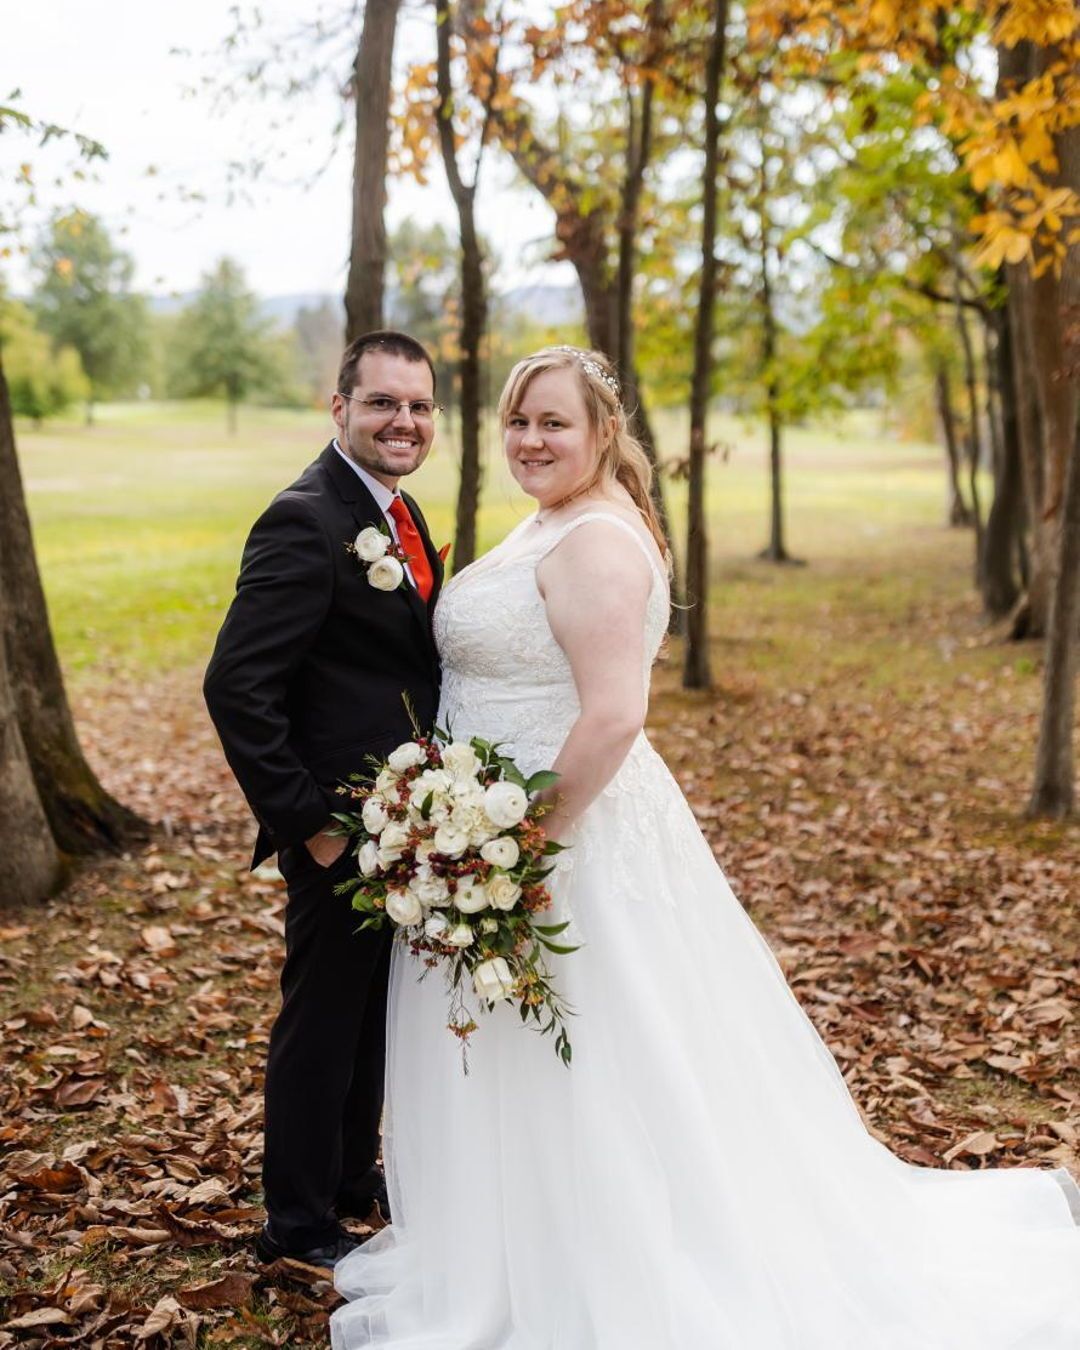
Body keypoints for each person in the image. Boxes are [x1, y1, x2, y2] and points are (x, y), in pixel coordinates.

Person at [329, 344, 1079, 1348]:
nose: (532, 439)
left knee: (598, 1057)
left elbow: (611, 718)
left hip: (557, 840)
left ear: (604, 433)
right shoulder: (552, 520)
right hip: (490, 823)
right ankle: (513, 1252)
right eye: (517, 421)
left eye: (555, 422)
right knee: (522, 1058)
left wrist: (515, 851)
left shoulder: (597, 541)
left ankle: (611, 1271)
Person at [204, 330, 444, 1270]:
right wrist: (309, 828)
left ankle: (349, 1176)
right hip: (338, 831)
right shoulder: (306, 516)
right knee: (320, 1021)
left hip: (399, 826)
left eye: (419, 405)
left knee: (370, 1011)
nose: (404, 420)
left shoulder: (394, 508)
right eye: (382, 402)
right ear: (337, 408)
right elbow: (236, 687)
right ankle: (296, 1219)